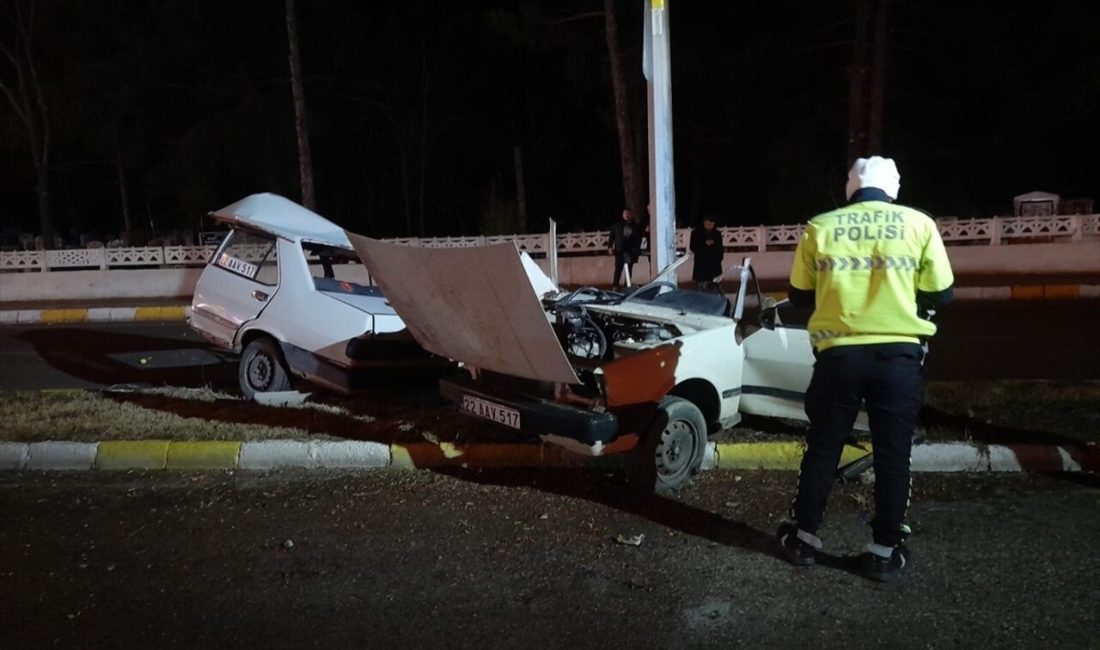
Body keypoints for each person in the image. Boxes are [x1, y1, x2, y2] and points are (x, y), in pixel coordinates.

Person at [775, 156, 955, 582]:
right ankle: (884, 551)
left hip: (839, 356)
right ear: (893, 188)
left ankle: (803, 539)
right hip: (899, 356)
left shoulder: (821, 226)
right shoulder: (919, 224)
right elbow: (942, 293)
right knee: (893, 454)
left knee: (823, 447)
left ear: (850, 187)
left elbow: (800, 294)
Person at [607, 208, 643, 288]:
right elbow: (612, 236)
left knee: (629, 269)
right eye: (625, 214)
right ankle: (615, 286)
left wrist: (636, 249)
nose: (627, 215)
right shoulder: (617, 225)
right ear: (623, 215)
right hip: (619, 250)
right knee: (618, 269)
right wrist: (610, 247)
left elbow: (639, 239)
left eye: (628, 214)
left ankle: (627, 286)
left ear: (631, 215)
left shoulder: (636, 226)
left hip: (630, 251)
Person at [689, 216, 724, 291]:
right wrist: (704, 244)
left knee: (715, 288)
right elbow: (693, 247)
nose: (710, 226)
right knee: (701, 288)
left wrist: (719, 258)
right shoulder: (696, 233)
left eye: (712, 224)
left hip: (714, 265)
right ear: (704, 222)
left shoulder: (717, 234)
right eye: (708, 224)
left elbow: (720, 248)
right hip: (701, 264)